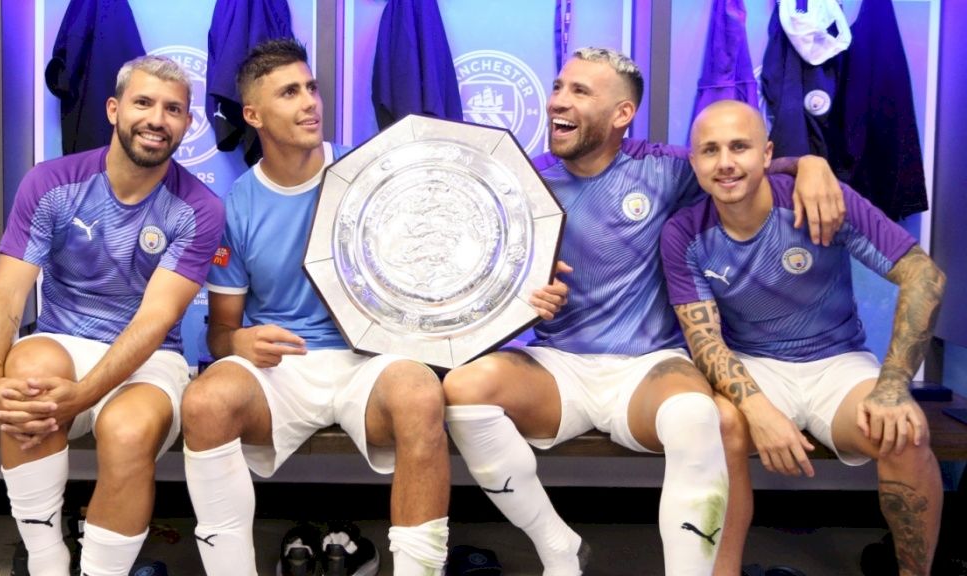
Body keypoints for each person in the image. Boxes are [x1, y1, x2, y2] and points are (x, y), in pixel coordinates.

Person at [442, 47, 846, 576]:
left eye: (580, 91)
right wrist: (521, 300)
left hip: (650, 366)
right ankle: (557, 548)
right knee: (462, 391)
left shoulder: (664, 169)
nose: (557, 101)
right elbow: (473, 278)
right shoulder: (523, 180)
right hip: (559, 364)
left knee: (695, 414)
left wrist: (809, 163)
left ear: (621, 115)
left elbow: (732, 165)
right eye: (559, 86)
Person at [179, 38, 450, 576]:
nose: (309, 103)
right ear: (253, 114)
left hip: (367, 363)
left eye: (311, 88)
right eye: (289, 92)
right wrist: (236, 342)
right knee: (204, 403)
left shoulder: (372, 178)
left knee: (422, 392)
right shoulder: (237, 205)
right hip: (281, 369)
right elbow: (220, 331)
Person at [661, 99, 944, 575]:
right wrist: (758, 409)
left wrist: (895, 385)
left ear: (767, 154)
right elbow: (705, 341)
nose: (726, 162)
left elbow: (924, 276)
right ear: (695, 163)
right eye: (710, 150)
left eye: (739, 147)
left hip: (838, 362)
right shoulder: (684, 233)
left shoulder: (820, 199)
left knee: (904, 433)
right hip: (753, 365)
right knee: (720, 424)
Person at [0, 55, 225, 576]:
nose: (158, 118)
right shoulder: (50, 183)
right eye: (143, 102)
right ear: (114, 110)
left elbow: (155, 321)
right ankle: (46, 561)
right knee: (28, 382)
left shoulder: (199, 208)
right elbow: (4, 293)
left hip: (152, 358)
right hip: (63, 339)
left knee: (128, 430)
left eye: (173, 109)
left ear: (186, 123)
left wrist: (84, 395)